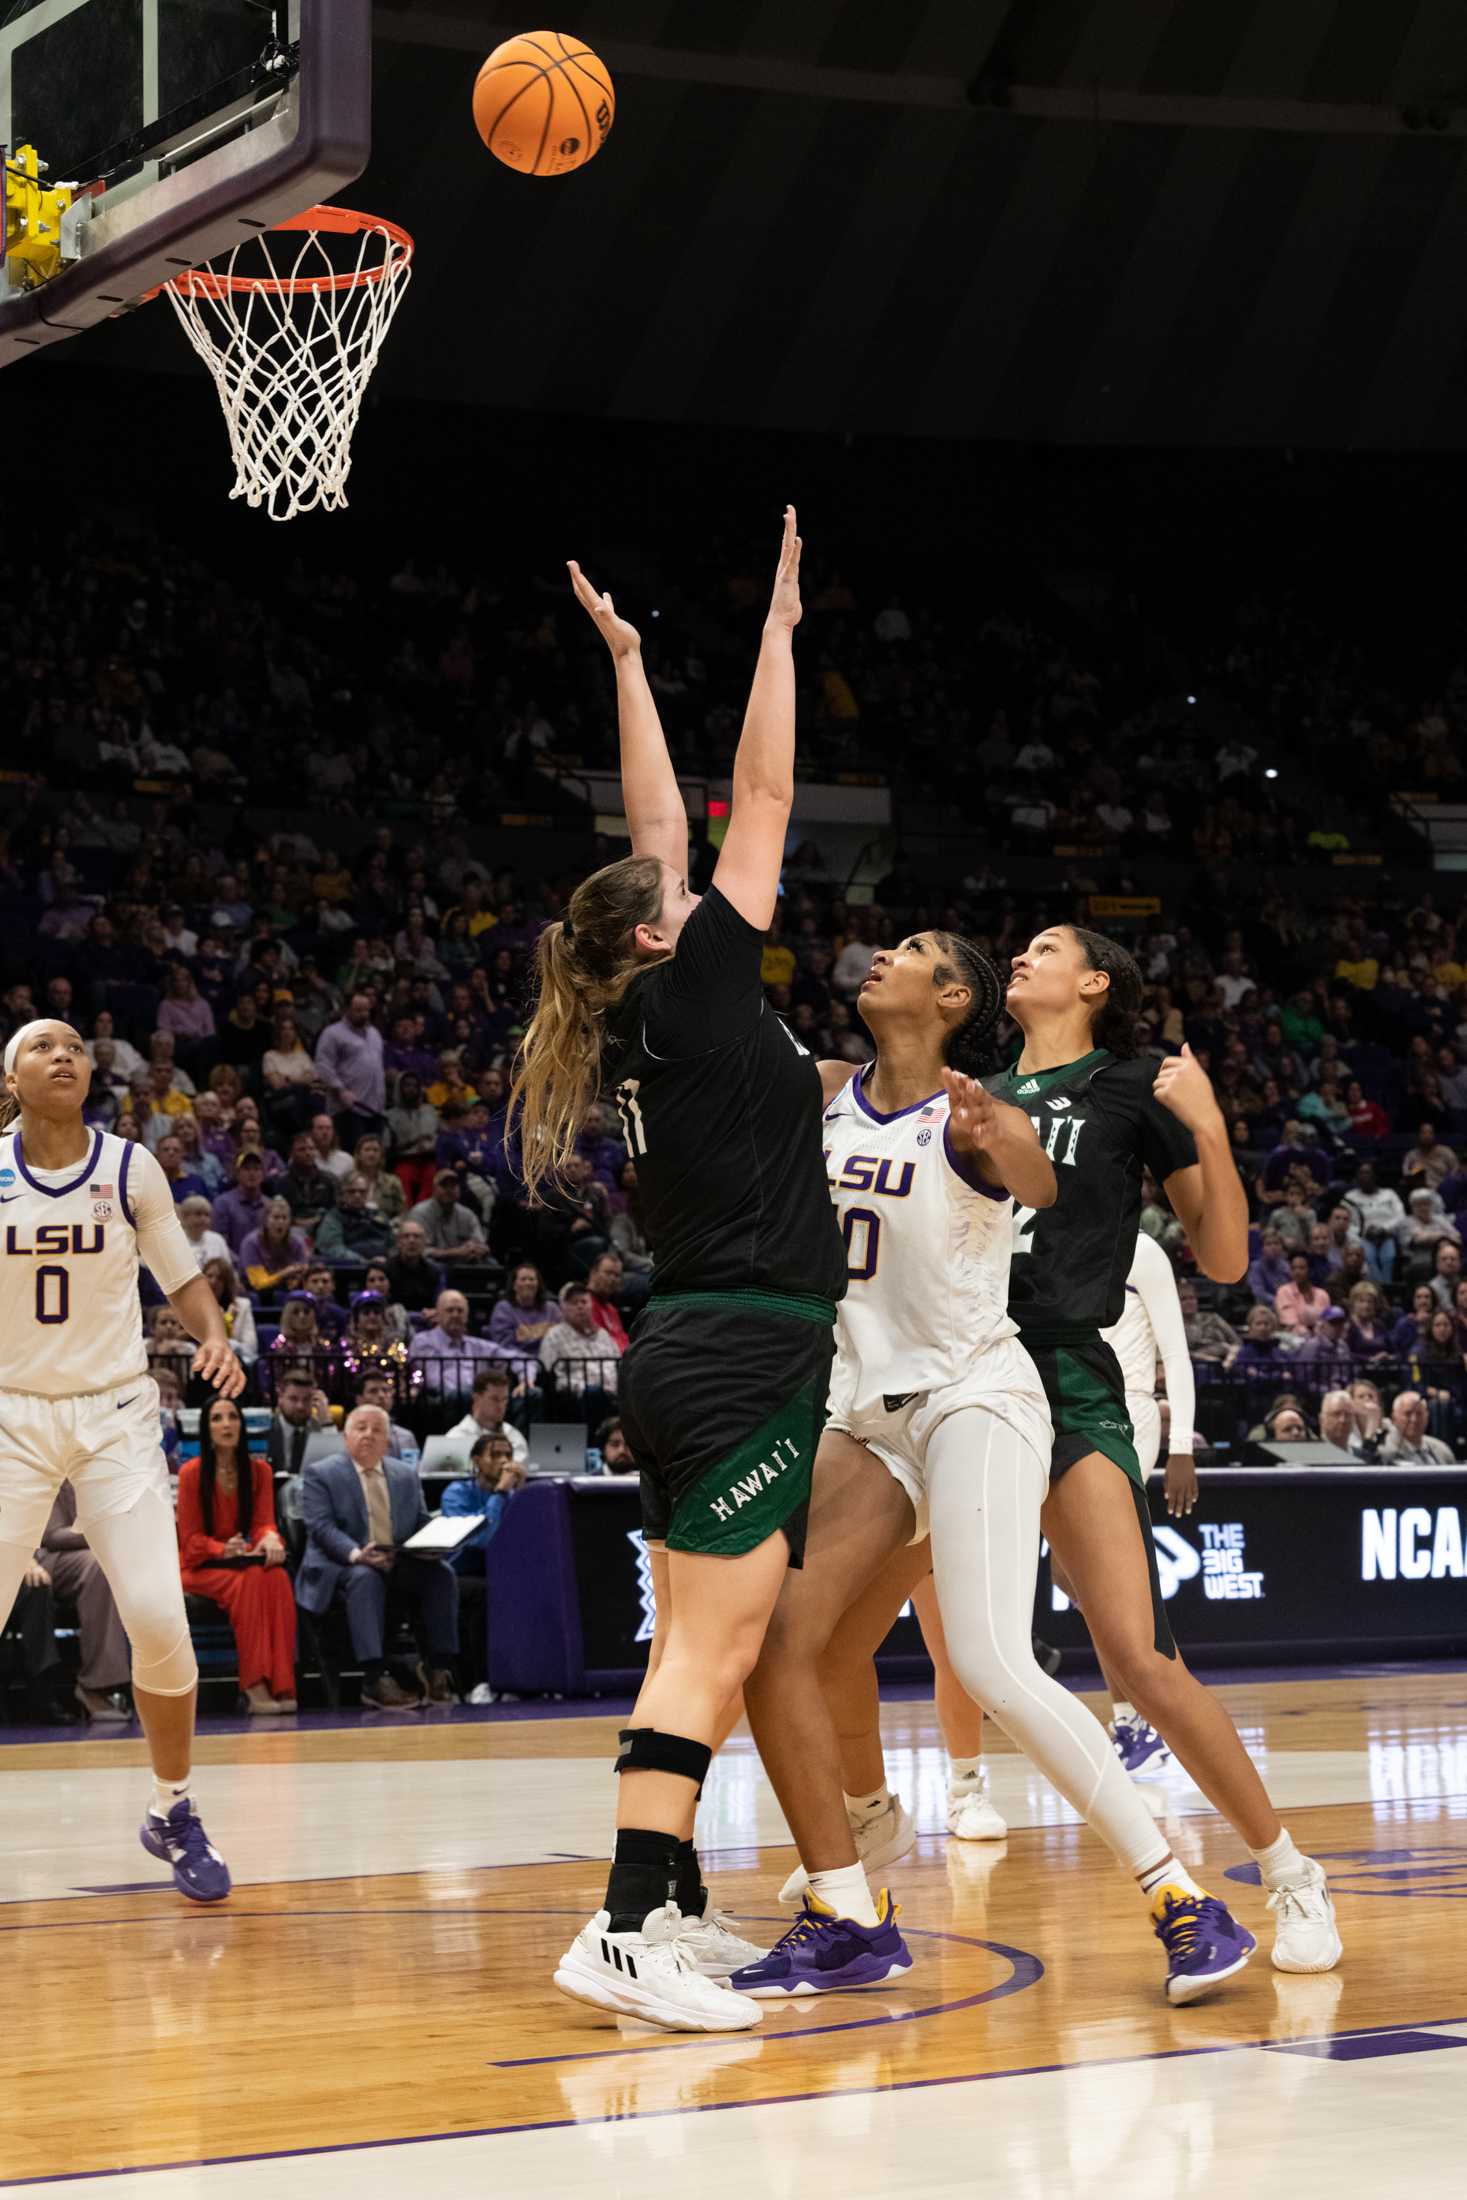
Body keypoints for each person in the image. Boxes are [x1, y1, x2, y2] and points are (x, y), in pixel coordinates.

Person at [812, 927, 1342, 1994]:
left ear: (1097, 981)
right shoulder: (971, 1085)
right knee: (830, 1644)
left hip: (1061, 1374)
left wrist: (1211, 1131)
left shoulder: (1136, 1080)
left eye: (1047, 948)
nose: (1023, 957)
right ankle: (876, 1838)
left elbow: (1227, 1258)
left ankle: (1288, 1874)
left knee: (1136, 1659)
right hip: (947, 1370)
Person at [524, 515, 835, 2031]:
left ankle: (679, 1904)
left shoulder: (647, 1004)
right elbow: (757, 793)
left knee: (702, 1645)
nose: (697, 885)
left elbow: (659, 826)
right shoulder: (702, 982)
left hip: (697, 1345)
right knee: (710, 1650)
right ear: (664, 931)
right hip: (742, 1348)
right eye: (680, 889)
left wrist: (635, 665)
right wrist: (776, 634)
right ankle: (623, 1928)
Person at [0, 1019, 242, 1900]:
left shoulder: (129, 1165)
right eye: (41, 1046)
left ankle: (173, 1807)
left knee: (156, 1614)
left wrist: (214, 1335)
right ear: (12, 1078)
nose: (63, 1054)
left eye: (73, 1045)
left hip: (112, 1410)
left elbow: (179, 1275)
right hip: (9, 1417)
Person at [1097, 1231, 1198, 1775]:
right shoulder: (1047, 1229)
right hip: (1066, 1413)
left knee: (1101, 1576)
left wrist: (1181, 1444)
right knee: (1085, 1578)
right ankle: (1134, 1721)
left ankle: (1142, 1718)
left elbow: (1176, 1356)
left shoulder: (1140, 1249)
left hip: (1130, 1414)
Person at [295, 1405, 460, 1709]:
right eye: (360, 1428)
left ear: (388, 1441)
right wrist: (358, 1555)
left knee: (442, 1573)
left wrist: (435, 1542)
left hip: (396, 1560)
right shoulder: (322, 1473)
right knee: (365, 1578)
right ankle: (374, 1677)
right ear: (346, 1437)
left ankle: (438, 1666)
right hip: (341, 1564)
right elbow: (321, 1527)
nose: (368, 1435)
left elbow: (420, 1521)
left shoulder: (405, 1475)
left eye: (377, 1430)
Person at [176, 1395, 297, 1715]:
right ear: (206, 1429)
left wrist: (270, 1539)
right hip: (197, 1567)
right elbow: (189, 1542)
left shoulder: (259, 1472)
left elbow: (263, 1523)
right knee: (249, 1583)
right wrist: (220, 1549)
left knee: (277, 1578)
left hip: (240, 1562)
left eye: (232, 1417)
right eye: (217, 1418)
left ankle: (282, 1684)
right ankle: (254, 1686)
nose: (226, 1424)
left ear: (242, 1425)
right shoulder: (191, 1473)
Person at [36, 1483, 132, 1721]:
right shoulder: (50, 1467)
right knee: (99, 1566)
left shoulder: (104, 1469)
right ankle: (95, 1686)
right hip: (43, 1559)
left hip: (101, 1550)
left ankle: (147, 1683)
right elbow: (52, 1535)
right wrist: (103, 1532)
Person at [440, 1429, 526, 1568]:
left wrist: (521, 1493)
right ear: (477, 1460)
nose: (504, 1460)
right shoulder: (456, 1493)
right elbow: (480, 1541)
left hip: (504, 1567)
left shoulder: (512, 1495)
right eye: (495, 1455)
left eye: (508, 1455)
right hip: (467, 1570)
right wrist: (500, 1493)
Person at [314, 992, 386, 1151]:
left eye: (366, 1010)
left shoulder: (375, 1033)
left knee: (374, 1156)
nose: (364, 1015)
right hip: (348, 1106)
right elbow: (323, 1066)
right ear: (346, 1009)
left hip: (375, 1107)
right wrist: (340, 1090)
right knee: (354, 1154)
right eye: (358, 1010)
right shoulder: (332, 1034)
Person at [539, 1279, 621, 1409]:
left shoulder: (603, 1335)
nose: (580, 1306)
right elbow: (549, 1375)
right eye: (574, 1303)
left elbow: (619, 1363)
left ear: (591, 1305)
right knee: (593, 1392)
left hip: (614, 1394)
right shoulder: (553, 1335)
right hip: (577, 1398)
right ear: (563, 1307)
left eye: (584, 1302)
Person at [488, 1261, 558, 1388]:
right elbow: (503, 1344)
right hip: (516, 1362)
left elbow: (560, 1337)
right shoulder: (503, 1308)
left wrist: (527, 1334)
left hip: (548, 1361)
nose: (528, 1283)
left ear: (538, 1284)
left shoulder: (551, 1308)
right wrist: (539, 1334)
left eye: (532, 1279)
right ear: (514, 1285)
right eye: (523, 1279)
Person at [445, 1363, 529, 1466]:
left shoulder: (514, 1436)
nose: (501, 1406)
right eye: (495, 1399)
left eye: (504, 1400)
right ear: (476, 1398)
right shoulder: (456, 1438)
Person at [404, 1167, 489, 1265]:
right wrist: (456, 1252)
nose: (449, 1190)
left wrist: (476, 1249)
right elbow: (419, 1251)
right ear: (434, 1189)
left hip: (463, 1262)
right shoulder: (420, 1213)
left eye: (453, 1186)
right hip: (433, 1264)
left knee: (491, 1263)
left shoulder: (467, 1214)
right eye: (444, 1185)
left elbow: (482, 1244)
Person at [265, 1366, 340, 1477]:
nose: (300, 1406)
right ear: (280, 1397)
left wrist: (326, 1421)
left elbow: (338, 1465)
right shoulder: (266, 1428)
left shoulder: (319, 1428)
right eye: (293, 1399)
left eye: (307, 1399)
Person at [313, 1172, 395, 1266]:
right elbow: (333, 1248)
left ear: (368, 1193)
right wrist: (365, 1262)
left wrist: (390, 1259)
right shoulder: (334, 1217)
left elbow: (393, 1245)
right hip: (353, 1269)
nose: (357, 1195)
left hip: (384, 1266)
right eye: (351, 1191)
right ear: (342, 1194)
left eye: (362, 1191)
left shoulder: (379, 1215)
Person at [239, 1195, 309, 1295]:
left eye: (284, 1218)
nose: (280, 1222)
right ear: (266, 1221)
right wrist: (285, 1273)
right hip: (255, 1292)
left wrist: (298, 1276)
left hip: (288, 1290)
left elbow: (303, 1273)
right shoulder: (251, 1243)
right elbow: (258, 1283)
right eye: (276, 1217)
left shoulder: (297, 1242)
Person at [201, 1255, 259, 1369]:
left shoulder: (242, 1306)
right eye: (209, 1276)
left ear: (227, 1283)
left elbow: (251, 1347)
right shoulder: (194, 1307)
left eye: (220, 1278)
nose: (213, 1281)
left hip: (234, 1364)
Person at [210, 1148, 270, 1259]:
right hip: (233, 1267)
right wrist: (243, 1264)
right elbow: (220, 1243)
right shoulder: (223, 1203)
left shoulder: (269, 1205)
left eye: (257, 1169)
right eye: (246, 1169)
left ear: (263, 1174)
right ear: (237, 1173)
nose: (252, 1173)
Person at [384, 1216, 444, 1315]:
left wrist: (435, 1312)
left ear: (425, 1242)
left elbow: (441, 1305)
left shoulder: (435, 1272)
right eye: (406, 1236)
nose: (412, 1241)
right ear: (398, 1242)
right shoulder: (386, 1270)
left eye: (417, 1236)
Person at [1382, 1389, 1456, 1465]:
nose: (1414, 1419)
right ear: (1394, 1417)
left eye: (1419, 1414)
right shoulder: (1384, 1452)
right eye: (1408, 1414)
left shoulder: (1442, 1450)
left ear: (1427, 1416)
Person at [586, 1250, 631, 1354]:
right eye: (608, 1273)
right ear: (593, 1273)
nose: (612, 1279)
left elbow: (623, 1340)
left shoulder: (611, 1309)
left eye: (617, 1275)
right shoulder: (584, 1304)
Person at [352, 1133, 405, 1221]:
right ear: (359, 1155)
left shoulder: (393, 1182)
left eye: (376, 1150)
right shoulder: (348, 1181)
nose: (371, 1154)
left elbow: (402, 1212)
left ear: (381, 1156)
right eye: (367, 1150)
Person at [1275, 1251, 1331, 1333]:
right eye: (1293, 1268)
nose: (1297, 1272)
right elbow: (1290, 1322)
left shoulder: (1322, 1294)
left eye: (1302, 1268)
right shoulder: (1284, 1291)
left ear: (1310, 1270)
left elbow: (1328, 1320)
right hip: (1294, 1338)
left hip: (1321, 1337)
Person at [176, 1193, 231, 1274]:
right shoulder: (176, 1242)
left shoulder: (217, 1239)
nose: (204, 1219)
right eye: (198, 1214)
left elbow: (228, 1271)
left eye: (207, 1215)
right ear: (185, 1216)